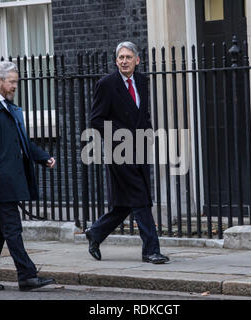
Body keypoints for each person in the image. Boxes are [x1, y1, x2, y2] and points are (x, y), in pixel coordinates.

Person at [0, 61, 56, 291]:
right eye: (12, 81)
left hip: (10, 179)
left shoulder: (11, 108)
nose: (16, 85)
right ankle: (27, 275)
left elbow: (22, 142)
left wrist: (43, 157)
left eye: (16, 81)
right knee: (13, 229)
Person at [85, 41, 169, 264]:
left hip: (140, 148)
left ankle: (96, 232)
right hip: (119, 151)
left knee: (125, 203)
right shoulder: (106, 84)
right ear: (116, 61)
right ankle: (151, 250)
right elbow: (96, 119)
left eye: (128, 57)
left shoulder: (142, 81)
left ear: (137, 60)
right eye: (120, 57)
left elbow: (143, 113)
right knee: (141, 198)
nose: (124, 61)